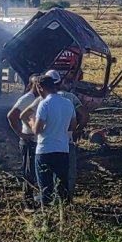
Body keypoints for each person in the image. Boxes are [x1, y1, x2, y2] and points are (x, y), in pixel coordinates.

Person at [21, 73, 77, 206]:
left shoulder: (44, 104)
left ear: (40, 88)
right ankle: (64, 217)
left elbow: (37, 130)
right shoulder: (68, 103)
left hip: (45, 150)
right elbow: (73, 126)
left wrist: (31, 121)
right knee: (62, 187)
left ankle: (47, 219)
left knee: (46, 189)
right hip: (63, 150)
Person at [42, 69, 89, 199]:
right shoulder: (70, 98)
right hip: (65, 144)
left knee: (45, 175)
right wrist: (76, 131)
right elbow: (84, 116)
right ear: (60, 81)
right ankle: (65, 200)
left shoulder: (42, 100)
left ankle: (48, 202)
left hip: (46, 144)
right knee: (67, 174)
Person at [6, 74, 43, 201]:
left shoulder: (41, 99)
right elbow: (12, 115)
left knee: (36, 170)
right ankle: (28, 199)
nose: (38, 87)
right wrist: (21, 134)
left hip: (37, 141)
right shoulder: (28, 98)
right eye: (35, 84)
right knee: (29, 171)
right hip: (29, 141)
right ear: (30, 86)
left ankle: (37, 196)